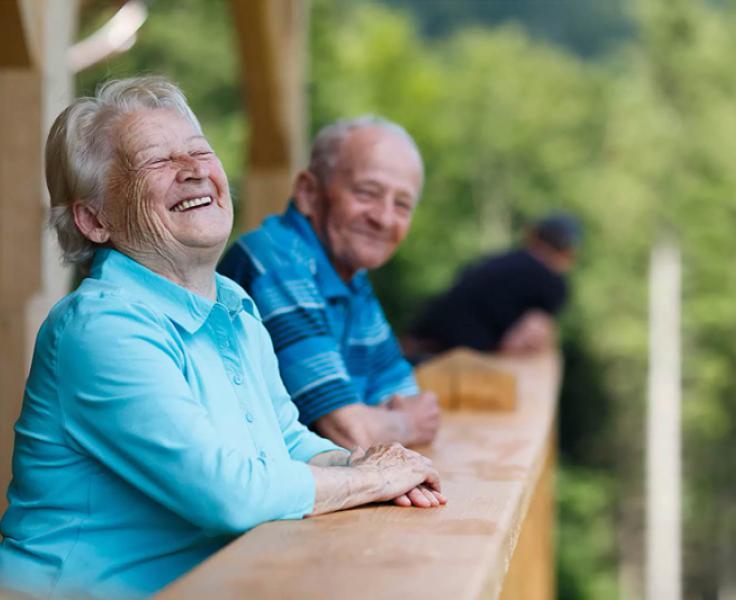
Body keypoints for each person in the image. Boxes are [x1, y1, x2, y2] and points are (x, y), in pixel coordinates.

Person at [0, 78, 445, 600]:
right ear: (95, 219)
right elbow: (227, 493)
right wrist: (369, 482)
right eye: (156, 161)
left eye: (200, 152)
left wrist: (373, 466)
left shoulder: (232, 304)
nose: (193, 171)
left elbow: (287, 440)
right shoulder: (100, 328)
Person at [218, 117, 439, 450]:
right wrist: (402, 425)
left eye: (402, 205)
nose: (383, 218)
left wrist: (381, 421)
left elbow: (402, 392)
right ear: (309, 192)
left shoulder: (351, 276)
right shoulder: (276, 261)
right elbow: (348, 431)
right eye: (367, 193)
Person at [406, 214, 581, 357]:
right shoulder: (553, 283)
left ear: (532, 235)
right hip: (458, 361)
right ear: (569, 253)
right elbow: (518, 342)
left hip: (417, 344)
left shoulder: (496, 260)